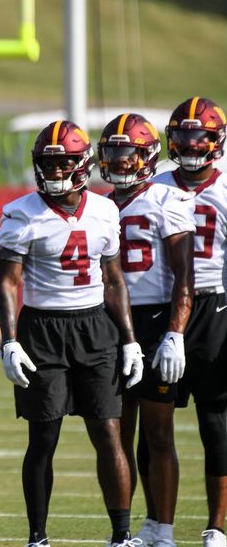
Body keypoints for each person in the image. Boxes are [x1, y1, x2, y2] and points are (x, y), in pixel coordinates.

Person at [0, 120, 143, 547]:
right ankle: (37, 537)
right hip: (42, 327)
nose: (55, 172)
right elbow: (7, 283)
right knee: (43, 435)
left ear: (82, 165)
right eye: (48, 163)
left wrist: (129, 338)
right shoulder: (21, 212)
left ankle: (122, 535)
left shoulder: (105, 210)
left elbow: (113, 280)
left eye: (63, 163)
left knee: (108, 431)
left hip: (95, 326)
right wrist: (9, 341)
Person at [96, 113, 196, 547]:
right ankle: (128, 529)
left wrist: (175, 332)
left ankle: (165, 530)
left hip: (153, 320)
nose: (119, 161)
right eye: (113, 153)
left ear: (147, 155)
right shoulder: (97, 204)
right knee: (117, 432)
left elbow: (183, 276)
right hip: (108, 324)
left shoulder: (166, 200)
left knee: (159, 432)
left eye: (128, 152)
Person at [150, 97, 227, 547]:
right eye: (182, 135)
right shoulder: (155, 183)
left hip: (215, 306)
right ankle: (158, 524)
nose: (191, 144)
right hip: (161, 306)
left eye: (200, 135)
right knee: (153, 419)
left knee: (215, 419)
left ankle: (217, 524)